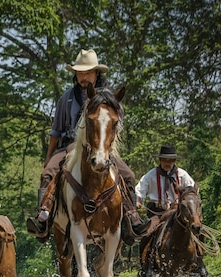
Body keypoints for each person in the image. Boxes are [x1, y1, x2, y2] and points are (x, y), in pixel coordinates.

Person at [26, 49, 147, 244]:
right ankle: (43, 218)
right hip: (70, 145)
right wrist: (48, 158)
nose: (83, 77)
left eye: (87, 72)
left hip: (103, 148)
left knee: (129, 175)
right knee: (48, 172)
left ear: (96, 73)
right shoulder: (66, 98)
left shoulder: (110, 99)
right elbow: (55, 132)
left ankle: (131, 218)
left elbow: (115, 127)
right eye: (80, 73)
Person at [135, 144, 197, 277]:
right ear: (160, 160)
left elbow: (193, 190)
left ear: (174, 161)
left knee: (198, 230)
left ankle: (197, 259)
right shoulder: (151, 175)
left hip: (177, 212)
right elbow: (140, 190)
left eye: (170, 160)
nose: (167, 163)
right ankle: (146, 267)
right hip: (157, 211)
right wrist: (138, 201)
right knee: (148, 233)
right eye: (165, 160)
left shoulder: (182, 175)